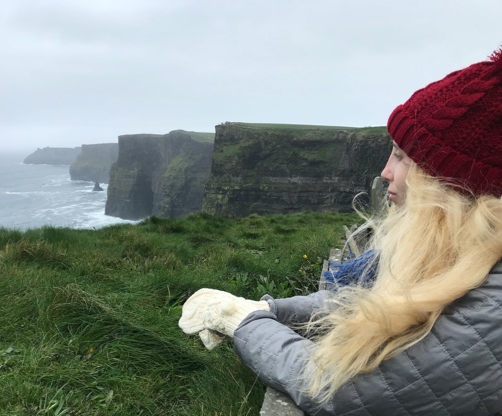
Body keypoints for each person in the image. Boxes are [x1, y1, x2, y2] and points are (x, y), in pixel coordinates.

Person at [179, 47, 502, 415]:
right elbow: (377, 301)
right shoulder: (467, 254)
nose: (385, 171)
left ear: (451, 184)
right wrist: (268, 308)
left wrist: (241, 322)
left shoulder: (494, 306)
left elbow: (341, 390)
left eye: (401, 156)